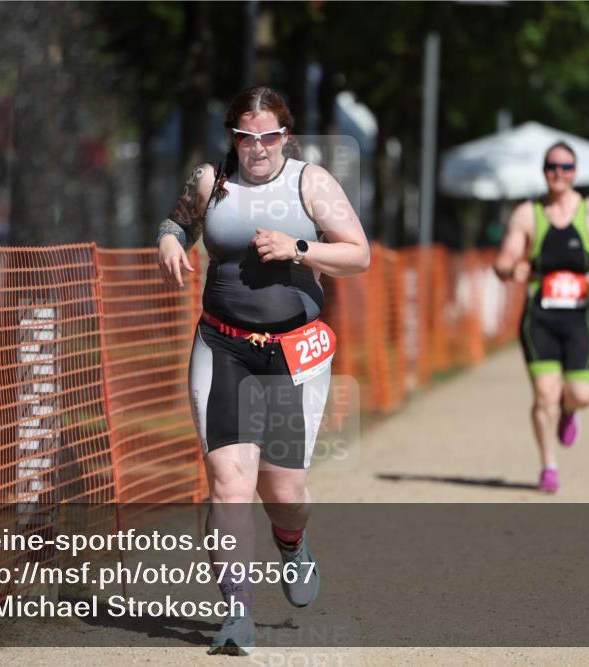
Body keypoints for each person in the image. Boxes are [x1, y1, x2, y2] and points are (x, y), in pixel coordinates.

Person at [156, 86, 370, 654]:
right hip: (222, 346)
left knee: (285, 491)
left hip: (291, 352)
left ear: (286, 135)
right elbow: (177, 223)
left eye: (270, 136)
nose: (259, 148)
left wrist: (299, 247)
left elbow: (358, 253)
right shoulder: (210, 180)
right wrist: (170, 243)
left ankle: (293, 543)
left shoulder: (310, 183)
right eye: (247, 136)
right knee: (229, 483)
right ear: (234, 136)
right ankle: (237, 614)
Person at [494, 141, 589, 493]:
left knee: (581, 393)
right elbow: (504, 259)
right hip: (540, 318)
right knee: (543, 395)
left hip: (580, 317)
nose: (559, 172)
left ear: (575, 172)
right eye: (553, 166)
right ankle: (548, 466)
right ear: (544, 170)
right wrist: (512, 271)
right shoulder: (527, 214)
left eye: (566, 167)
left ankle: (570, 411)